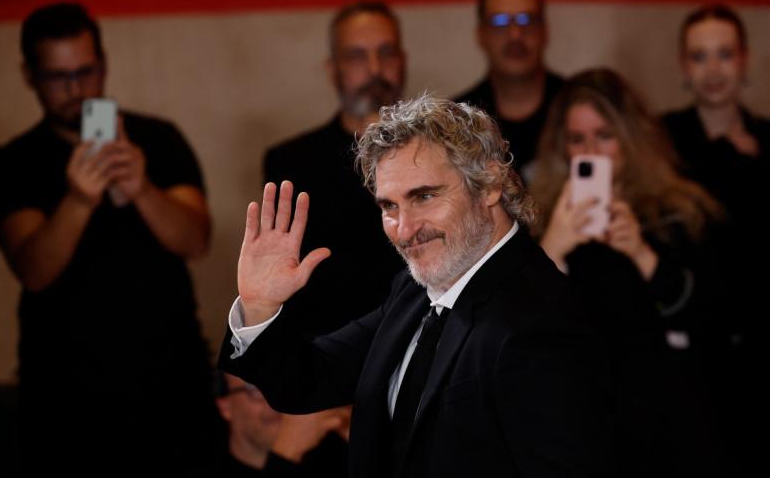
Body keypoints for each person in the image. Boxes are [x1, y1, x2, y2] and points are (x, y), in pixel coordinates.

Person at [219, 95, 611, 477]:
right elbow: (306, 383)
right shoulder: (413, 292)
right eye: (389, 206)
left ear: (490, 183)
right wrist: (260, 307)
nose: (404, 230)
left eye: (424, 196)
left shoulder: (541, 321)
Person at [0, 3, 219, 473]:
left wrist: (142, 190)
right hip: (63, 399)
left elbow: (196, 241)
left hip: (171, 387)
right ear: (30, 76)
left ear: (103, 64)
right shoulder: (13, 162)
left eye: (85, 72)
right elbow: (33, 270)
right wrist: (77, 200)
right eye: (58, 77)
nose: (76, 90)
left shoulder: (157, 140)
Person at [530, 68, 730, 476]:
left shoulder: (679, 212)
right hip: (580, 425)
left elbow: (712, 322)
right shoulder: (541, 219)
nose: (591, 152)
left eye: (604, 135)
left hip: (670, 426)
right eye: (577, 139)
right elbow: (516, 322)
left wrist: (642, 254)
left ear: (629, 137)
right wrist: (554, 246)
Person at [660, 4, 769, 476]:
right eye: (700, 57)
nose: (713, 70)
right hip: (686, 338)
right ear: (685, 66)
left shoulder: (767, 141)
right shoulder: (662, 140)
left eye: (724, 54)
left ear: (744, 60)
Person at [263, 0, 407, 338]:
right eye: (357, 56)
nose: (375, 69)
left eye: (386, 52)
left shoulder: (441, 154)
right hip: (328, 350)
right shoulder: (291, 162)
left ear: (402, 61)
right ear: (333, 70)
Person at [455, 0, 564, 180]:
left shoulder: (577, 109)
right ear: (481, 35)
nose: (515, 35)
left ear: (545, 31)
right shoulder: (457, 119)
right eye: (500, 22)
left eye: (527, 20)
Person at [212, 370, 349, 477]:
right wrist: (287, 452)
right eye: (255, 389)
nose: (277, 401)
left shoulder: (333, 460)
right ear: (225, 407)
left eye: (285, 384)